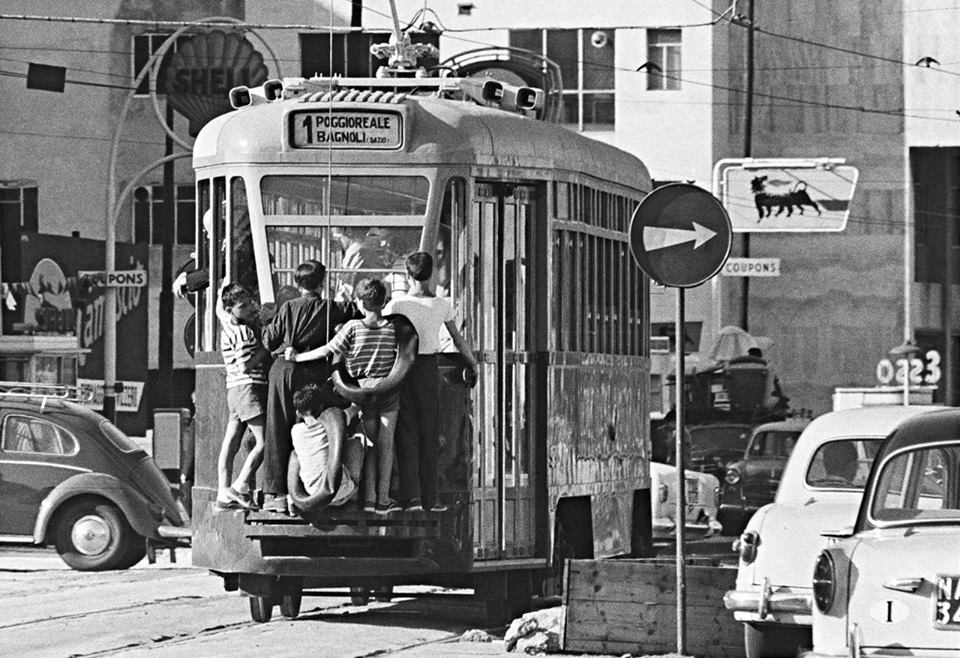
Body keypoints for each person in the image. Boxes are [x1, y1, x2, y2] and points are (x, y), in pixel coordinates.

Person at [285, 278, 401, 515]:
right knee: (386, 445)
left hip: (362, 392)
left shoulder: (353, 327)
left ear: (359, 302)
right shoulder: (392, 328)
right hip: (388, 391)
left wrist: (297, 358)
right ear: (384, 302)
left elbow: (327, 350)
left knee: (369, 444)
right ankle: (383, 498)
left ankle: (368, 500)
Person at [260, 260, 357, 514]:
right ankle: (306, 488)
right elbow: (357, 312)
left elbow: (270, 341)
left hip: (283, 373)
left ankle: (275, 495)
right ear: (323, 282)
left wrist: (267, 322)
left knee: (277, 428)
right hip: (313, 372)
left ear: (296, 283)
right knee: (310, 429)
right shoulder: (331, 308)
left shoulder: (288, 307)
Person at [384, 252, 478, 512]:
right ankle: (431, 498)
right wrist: (472, 362)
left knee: (407, 431)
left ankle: (410, 497)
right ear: (431, 274)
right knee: (429, 432)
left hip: (402, 368)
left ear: (407, 274)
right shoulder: (442, 305)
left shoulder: (396, 305)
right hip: (429, 368)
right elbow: (457, 340)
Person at [215, 283, 270, 510]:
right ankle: (239, 486)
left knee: (231, 443)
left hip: (234, 390)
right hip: (250, 388)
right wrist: (266, 348)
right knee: (264, 442)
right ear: (231, 310)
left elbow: (219, 307)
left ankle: (222, 491)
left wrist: (222, 290)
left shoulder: (226, 322)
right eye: (243, 306)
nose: (249, 309)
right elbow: (246, 364)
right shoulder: (243, 332)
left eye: (249, 304)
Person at [289, 383, 363, 509]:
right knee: (355, 444)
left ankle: (291, 498)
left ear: (298, 413)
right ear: (321, 406)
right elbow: (356, 407)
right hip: (342, 494)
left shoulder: (295, 431)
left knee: (297, 453)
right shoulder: (336, 420)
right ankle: (355, 495)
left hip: (313, 496)